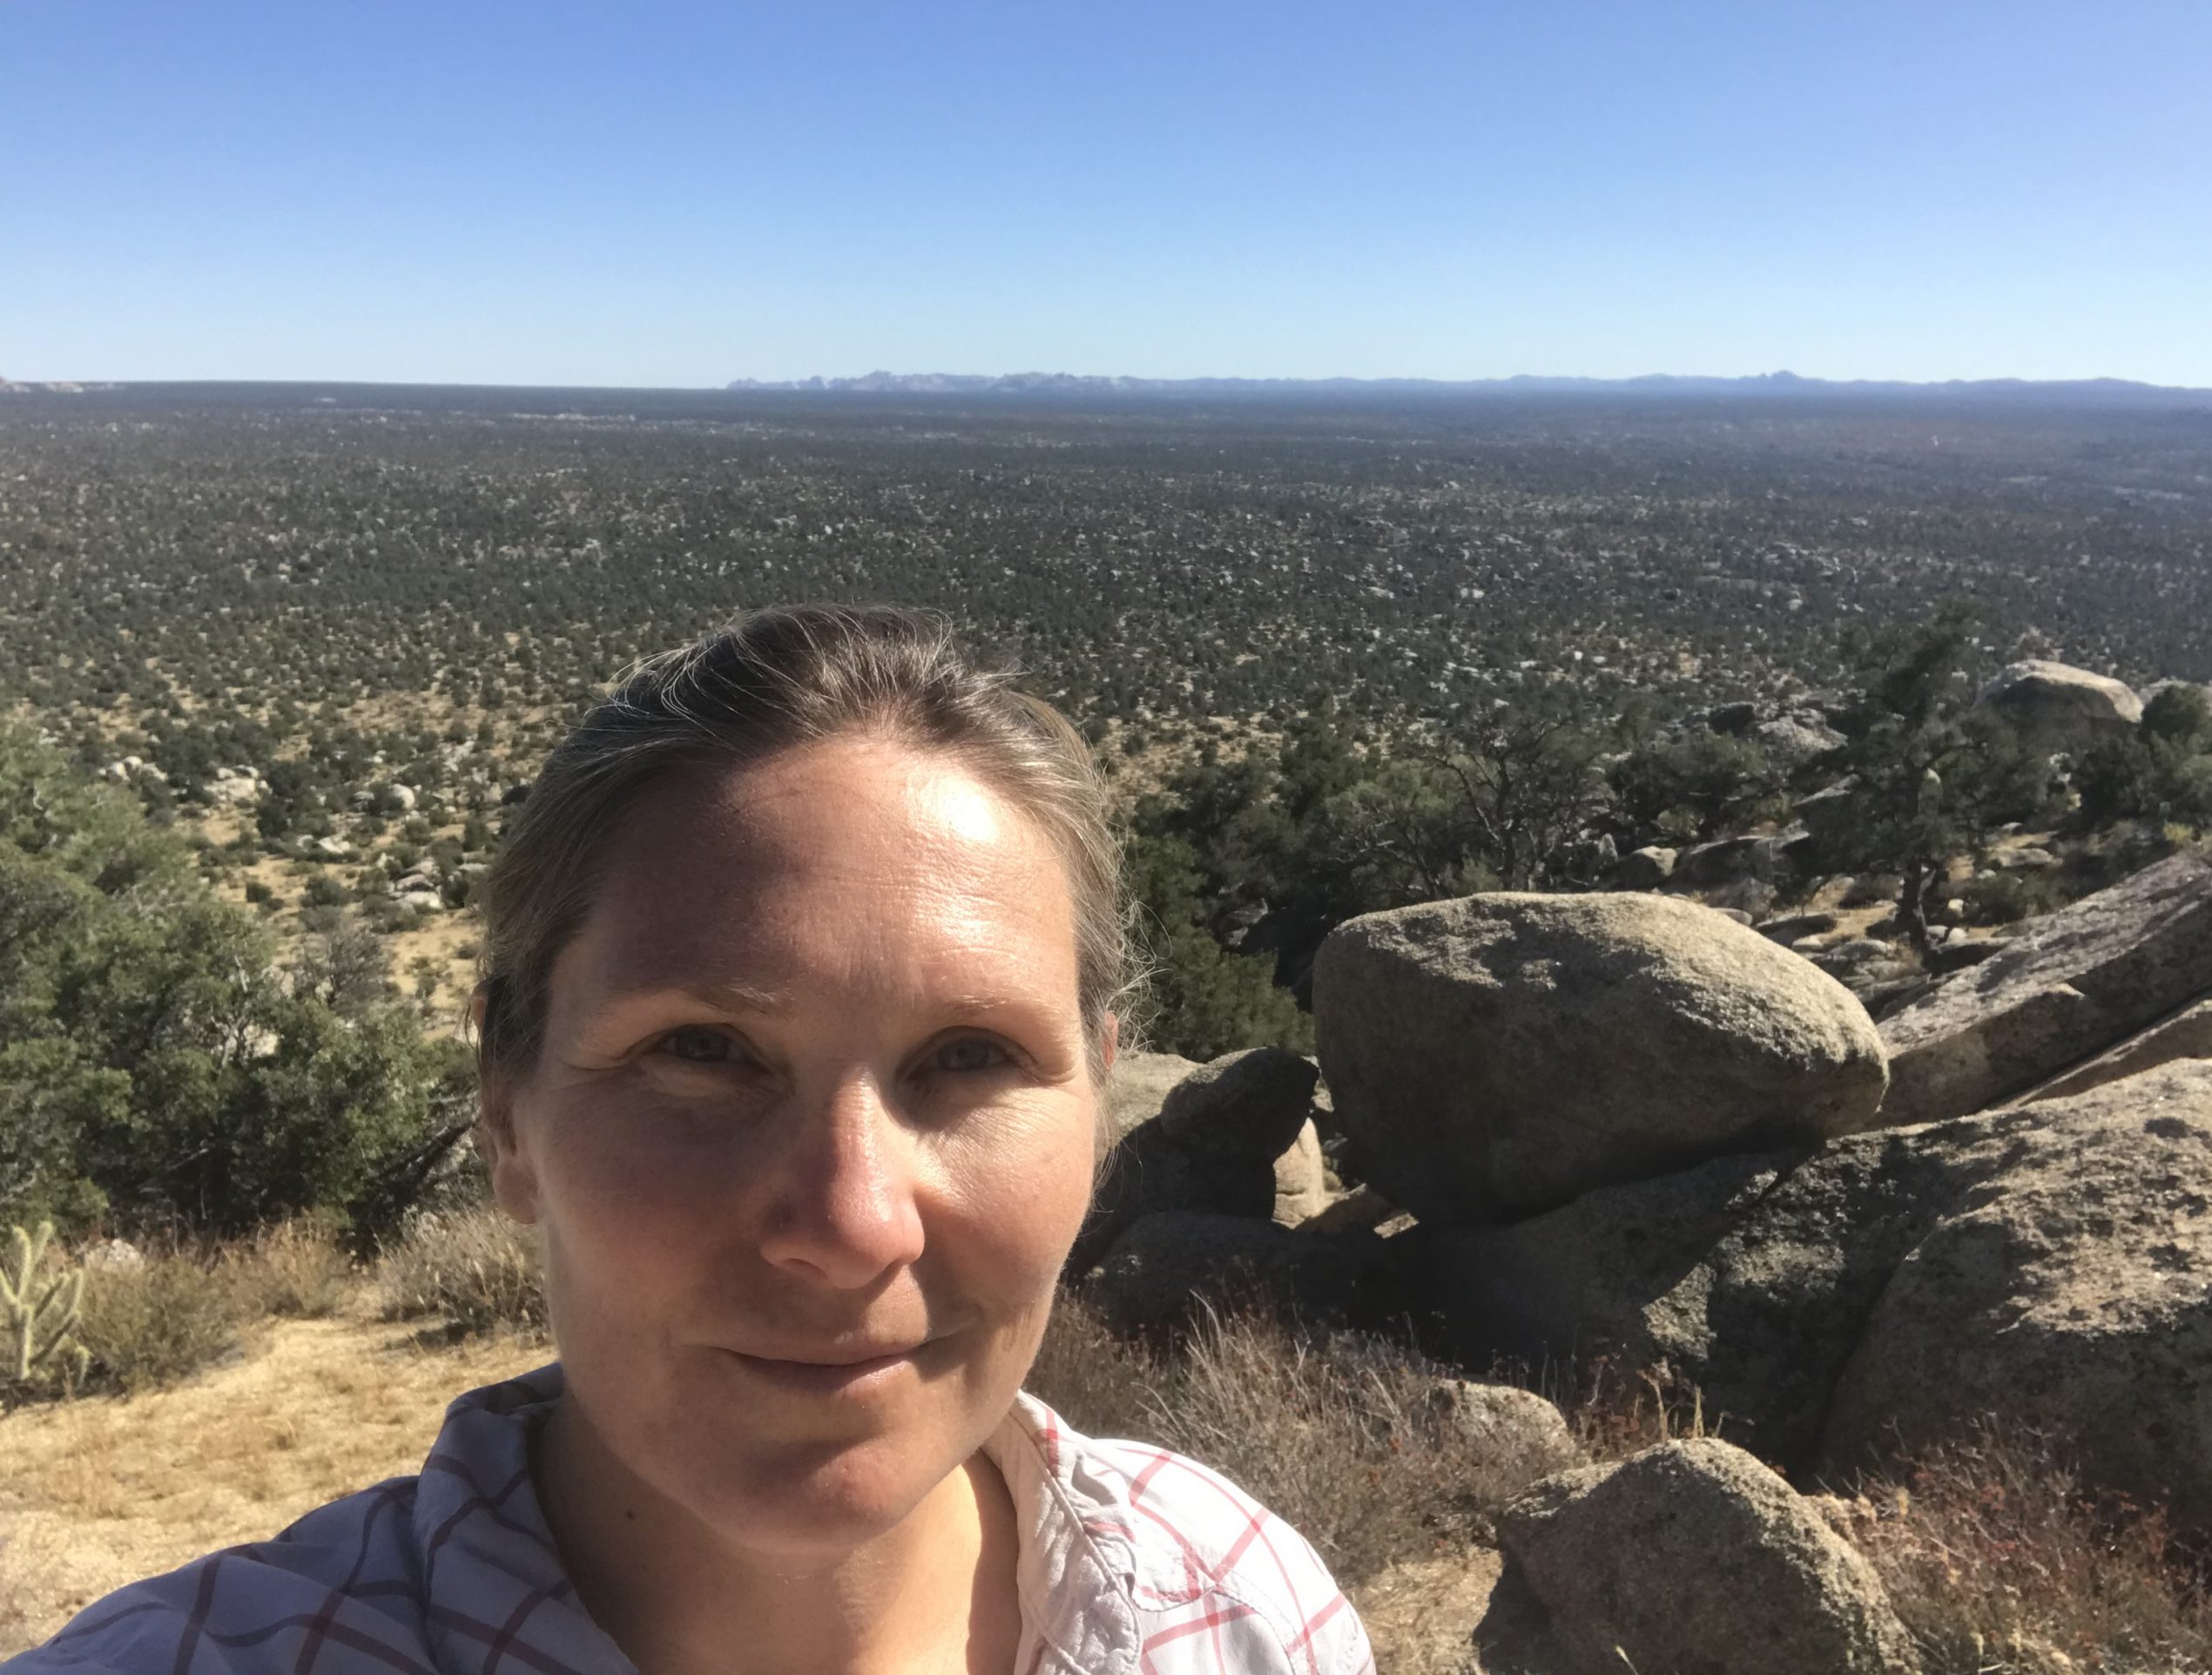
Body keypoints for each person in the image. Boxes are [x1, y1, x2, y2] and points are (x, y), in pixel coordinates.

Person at [13, 604, 1374, 1675]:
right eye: (704, 1054)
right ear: (508, 1109)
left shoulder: (1248, 1611)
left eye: (969, 1059)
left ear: (1099, 1099)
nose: (851, 1226)